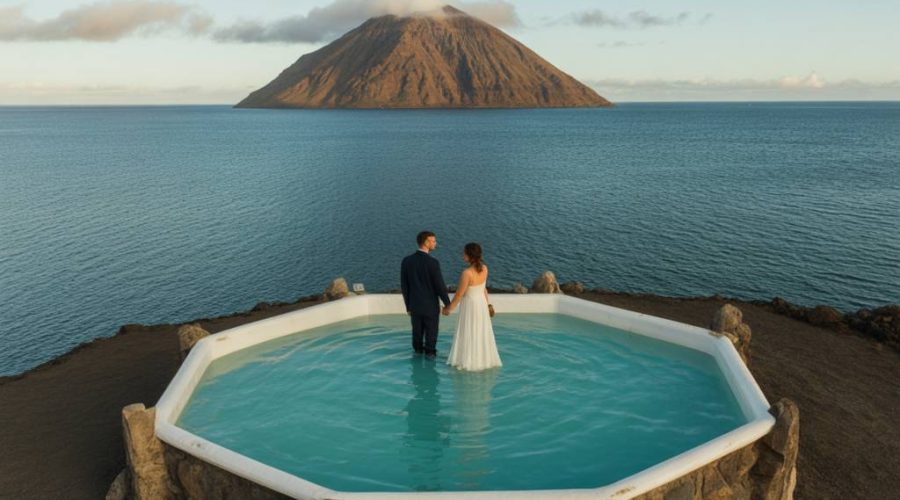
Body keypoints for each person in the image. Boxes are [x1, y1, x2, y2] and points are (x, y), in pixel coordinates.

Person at [443, 243, 502, 371]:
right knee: (480, 331)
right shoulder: (485, 268)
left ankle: (468, 360)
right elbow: (483, 289)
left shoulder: (467, 273)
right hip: (480, 304)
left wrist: (448, 309)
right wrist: (487, 305)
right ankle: (483, 359)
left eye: (464, 253)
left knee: (469, 331)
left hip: (470, 306)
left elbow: (459, 295)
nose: (462, 255)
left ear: (469, 255)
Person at [401, 231, 452, 357]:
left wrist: (408, 306)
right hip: (430, 307)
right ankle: (430, 361)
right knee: (431, 337)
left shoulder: (406, 261)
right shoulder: (433, 262)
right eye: (433, 241)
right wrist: (447, 304)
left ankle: (417, 359)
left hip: (414, 306)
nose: (436, 243)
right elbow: (440, 286)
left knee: (417, 337)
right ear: (426, 242)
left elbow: (405, 287)